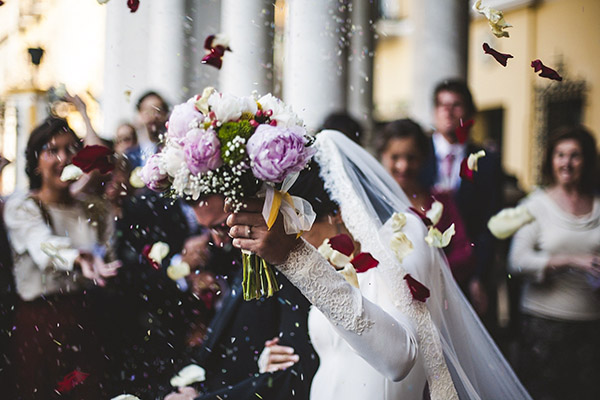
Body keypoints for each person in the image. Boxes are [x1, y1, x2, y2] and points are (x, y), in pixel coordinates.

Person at [228, 130, 531, 399]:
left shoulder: (405, 235)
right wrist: (275, 359)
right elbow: (339, 352)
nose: (302, 244)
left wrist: (297, 258)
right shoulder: (337, 266)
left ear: (335, 213)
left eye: (299, 231)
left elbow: (399, 358)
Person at [3, 117, 121, 398]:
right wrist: (79, 258)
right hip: (40, 322)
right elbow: (42, 244)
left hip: (86, 316)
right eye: (52, 150)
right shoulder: (23, 207)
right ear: (35, 162)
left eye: (71, 150)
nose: (63, 158)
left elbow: (108, 251)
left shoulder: (95, 208)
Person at [163, 194, 319, 400]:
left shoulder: (291, 260)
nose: (217, 241)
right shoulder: (236, 254)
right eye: (207, 229)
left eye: (221, 226)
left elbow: (295, 374)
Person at [508, 126, 600, 400]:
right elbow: (517, 262)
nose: (567, 163)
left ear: (587, 161)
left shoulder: (598, 205)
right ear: (551, 159)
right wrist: (571, 260)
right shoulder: (534, 206)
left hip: (592, 324)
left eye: (575, 155)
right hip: (544, 325)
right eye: (560, 155)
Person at [419, 79, 502, 319]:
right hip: (424, 266)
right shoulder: (416, 155)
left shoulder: (486, 161)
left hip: (470, 271)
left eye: (455, 105)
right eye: (441, 105)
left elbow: (490, 223)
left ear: (468, 112)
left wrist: (478, 276)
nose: (448, 111)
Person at [378, 118, 475, 286]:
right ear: (382, 156)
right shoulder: (373, 202)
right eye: (395, 157)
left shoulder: (441, 202)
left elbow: (464, 252)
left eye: (411, 157)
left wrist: (430, 273)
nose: (403, 166)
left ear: (423, 158)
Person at [126, 91, 169, 168]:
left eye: (158, 111)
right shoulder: (130, 155)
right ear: (139, 115)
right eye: (147, 111)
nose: (153, 117)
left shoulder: (170, 149)